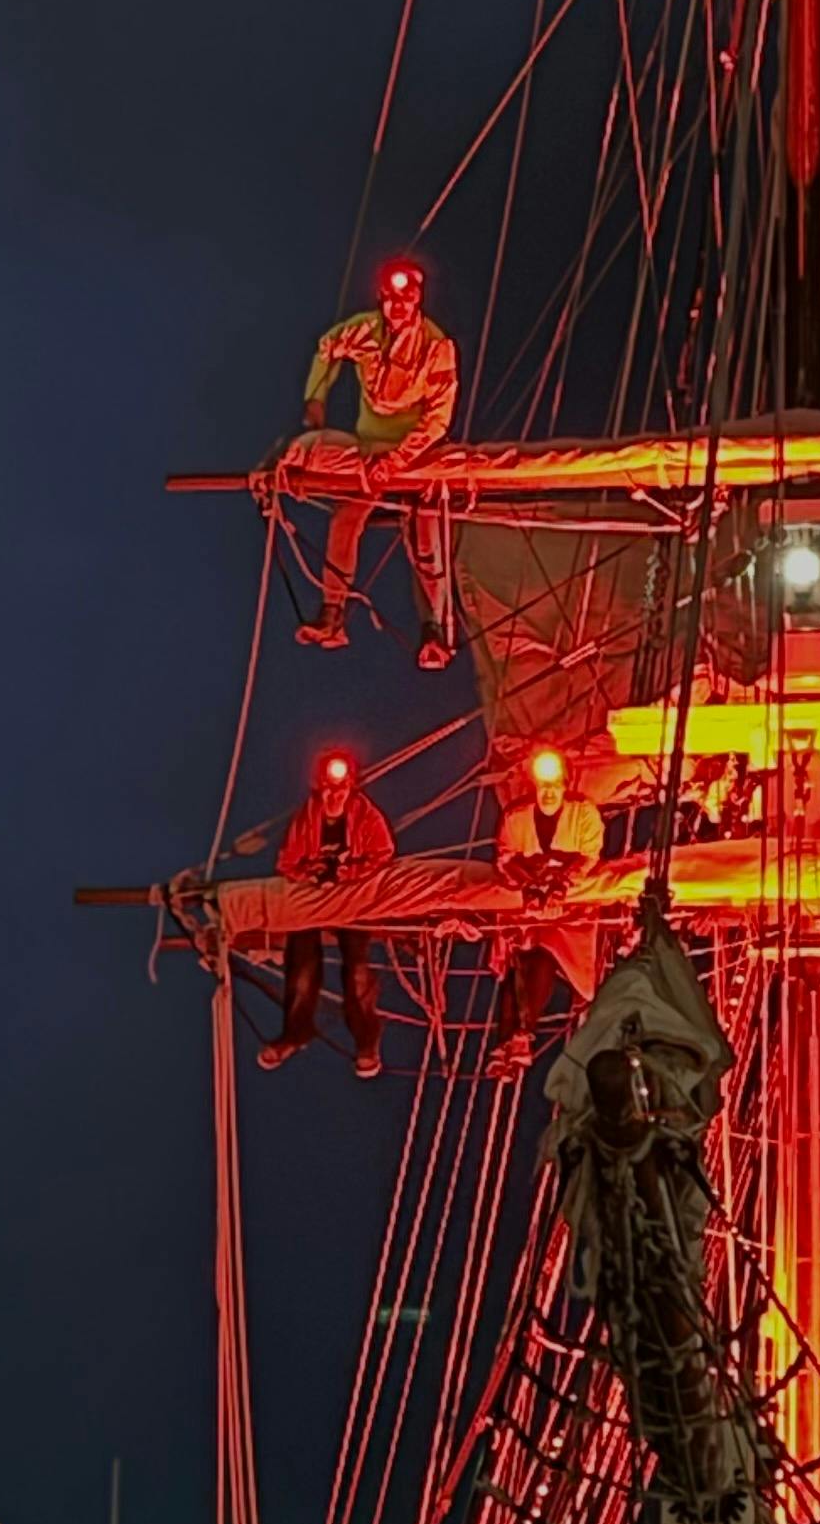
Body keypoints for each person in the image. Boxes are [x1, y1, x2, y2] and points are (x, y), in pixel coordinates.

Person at [295, 250, 461, 665]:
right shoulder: (365, 331)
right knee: (345, 518)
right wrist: (316, 397)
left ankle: (433, 627)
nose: (396, 308)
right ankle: (332, 612)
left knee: (425, 530)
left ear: (418, 300)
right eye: (389, 299)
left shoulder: (436, 347)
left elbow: (438, 421)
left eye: (405, 300)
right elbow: (326, 349)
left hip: (418, 452)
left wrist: (398, 461)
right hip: (369, 450)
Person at [257, 750, 393, 1076]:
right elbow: (287, 861)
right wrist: (311, 872)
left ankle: (365, 1039)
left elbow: (383, 853)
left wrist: (345, 873)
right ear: (320, 788)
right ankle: (296, 1032)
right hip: (312, 899)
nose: (335, 795)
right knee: (301, 965)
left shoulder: (365, 815)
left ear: (350, 788)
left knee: (357, 970)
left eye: (342, 788)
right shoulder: (308, 816)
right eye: (329, 788)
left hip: (351, 898)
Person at [488, 742, 607, 1076]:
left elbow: (589, 854)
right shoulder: (516, 816)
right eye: (544, 785)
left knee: (544, 952)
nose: (550, 792)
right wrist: (528, 885)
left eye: (555, 785)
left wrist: (561, 885)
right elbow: (506, 856)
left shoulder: (583, 813)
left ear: (566, 785)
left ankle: (522, 1034)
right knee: (518, 960)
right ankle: (507, 1042)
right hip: (527, 901)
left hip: (569, 908)